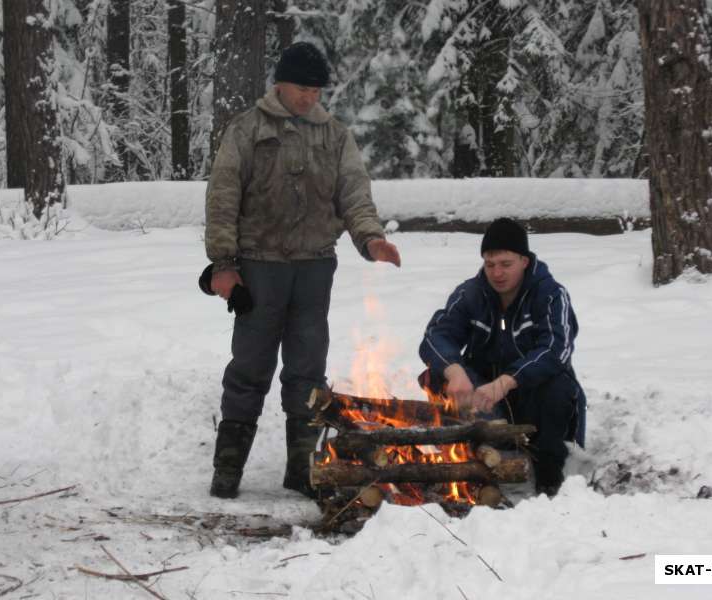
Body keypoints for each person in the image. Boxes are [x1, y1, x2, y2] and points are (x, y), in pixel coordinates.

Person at [204, 42, 401, 499]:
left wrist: (370, 239)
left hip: (314, 267)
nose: (310, 97)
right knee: (250, 366)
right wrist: (223, 264)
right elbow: (222, 198)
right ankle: (228, 467)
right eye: (302, 88)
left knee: (307, 369)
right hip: (259, 267)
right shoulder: (247, 129)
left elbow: (354, 192)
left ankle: (302, 467)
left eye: (316, 90)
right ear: (281, 84)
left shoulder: (335, 136)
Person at [418, 217, 585, 496]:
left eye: (506, 264)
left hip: (533, 401)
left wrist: (508, 381)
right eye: (490, 264)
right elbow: (435, 337)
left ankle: (548, 472)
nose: (497, 273)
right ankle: (470, 457)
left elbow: (556, 350)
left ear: (524, 261)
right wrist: (453, 370)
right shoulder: (471, 293)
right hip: (484, 400)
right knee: (436, 375)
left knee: (558, 385)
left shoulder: (551, 295)